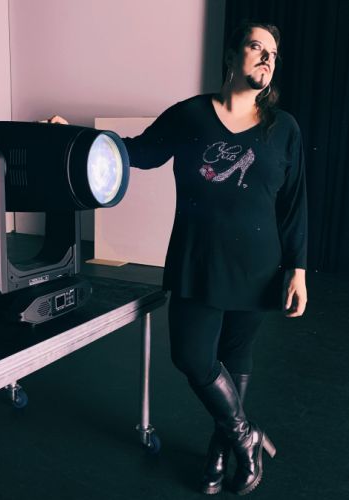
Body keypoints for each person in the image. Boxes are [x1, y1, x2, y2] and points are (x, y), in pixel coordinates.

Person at [47, 20, 307, 496]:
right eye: (256, 46)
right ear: (231, 57)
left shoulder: (284, 128)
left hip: (257, 266)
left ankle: (220, 450)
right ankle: (245, 436)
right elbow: (138, 152)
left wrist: (299, 269)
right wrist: (76, 139)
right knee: (191, 356)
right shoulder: (190, 116)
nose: (266, 57)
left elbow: (293, 203)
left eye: (273, 53)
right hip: (197, 260)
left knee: (235, 355)